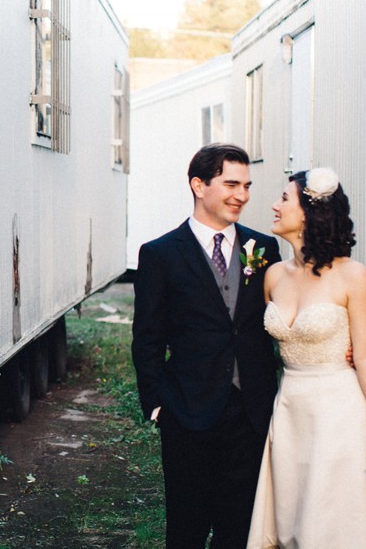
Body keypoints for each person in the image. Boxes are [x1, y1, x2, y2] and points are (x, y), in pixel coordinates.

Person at [132, 143, 282, 548]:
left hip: (251, 411)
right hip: (187, 410)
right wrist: (157, 403)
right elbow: (147, 337)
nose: (243, 195)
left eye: (247, 186)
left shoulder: (264, 249)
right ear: (198, 185)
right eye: (231, 183)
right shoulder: (161, 254)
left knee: (241, 526)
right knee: (186, 525)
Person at [246, 168, 366, 548]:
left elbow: (365, 356)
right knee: (292, 518)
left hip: (338, 412)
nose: (274, 204)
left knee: (332, 521)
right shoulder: (272, 276)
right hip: (289, 409)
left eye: (284, 198)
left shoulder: (353, 276)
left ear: (309, 212)